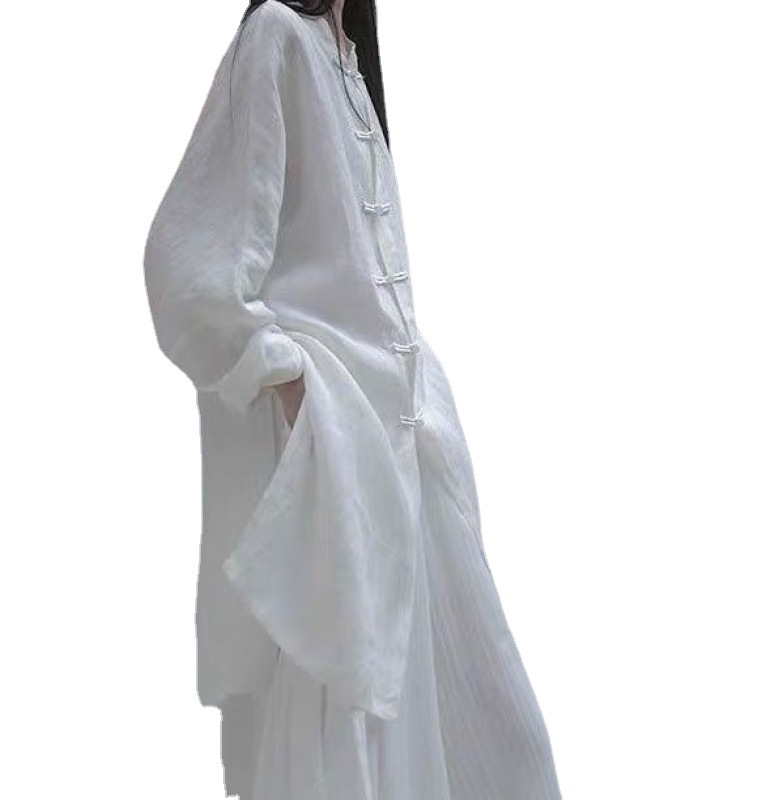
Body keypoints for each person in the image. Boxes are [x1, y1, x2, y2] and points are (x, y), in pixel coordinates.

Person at [143, 1, 564, 798]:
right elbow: (186, 263)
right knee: (349, 712)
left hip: (413, 434)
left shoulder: (350, 61)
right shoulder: (277, 36)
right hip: (340, 444)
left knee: (490, 718)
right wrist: (288, 380)